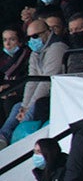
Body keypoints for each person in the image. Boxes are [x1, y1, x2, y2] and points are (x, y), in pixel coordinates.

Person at [0, 19, 67, 147]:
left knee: (34, 107)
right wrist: (24, 106)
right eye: (29, 37)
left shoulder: (57, 48)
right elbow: (31, 81)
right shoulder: (36, 52)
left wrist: (28, 108)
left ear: (48, 32)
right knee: (16, 107)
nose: (32, 40)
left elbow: (45, 82)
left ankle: (16, 144)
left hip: (53, 96)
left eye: (35, 36)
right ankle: (3, 136)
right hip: (41, 95)